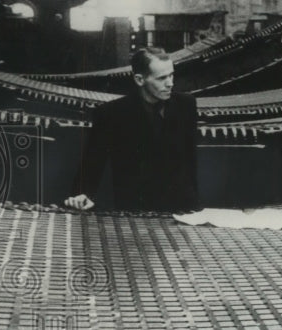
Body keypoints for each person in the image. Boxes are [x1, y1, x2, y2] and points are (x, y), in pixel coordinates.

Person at [64, 47, 201, 212]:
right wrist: (82, 194)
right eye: (162, 78)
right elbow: (92, 163)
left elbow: (190, 160)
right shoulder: (111, 113)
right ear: (139, 79)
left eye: (171, 75)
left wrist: (195, 206)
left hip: (183, 209)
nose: (170, 83)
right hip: (135, 212)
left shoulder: (186, 105)